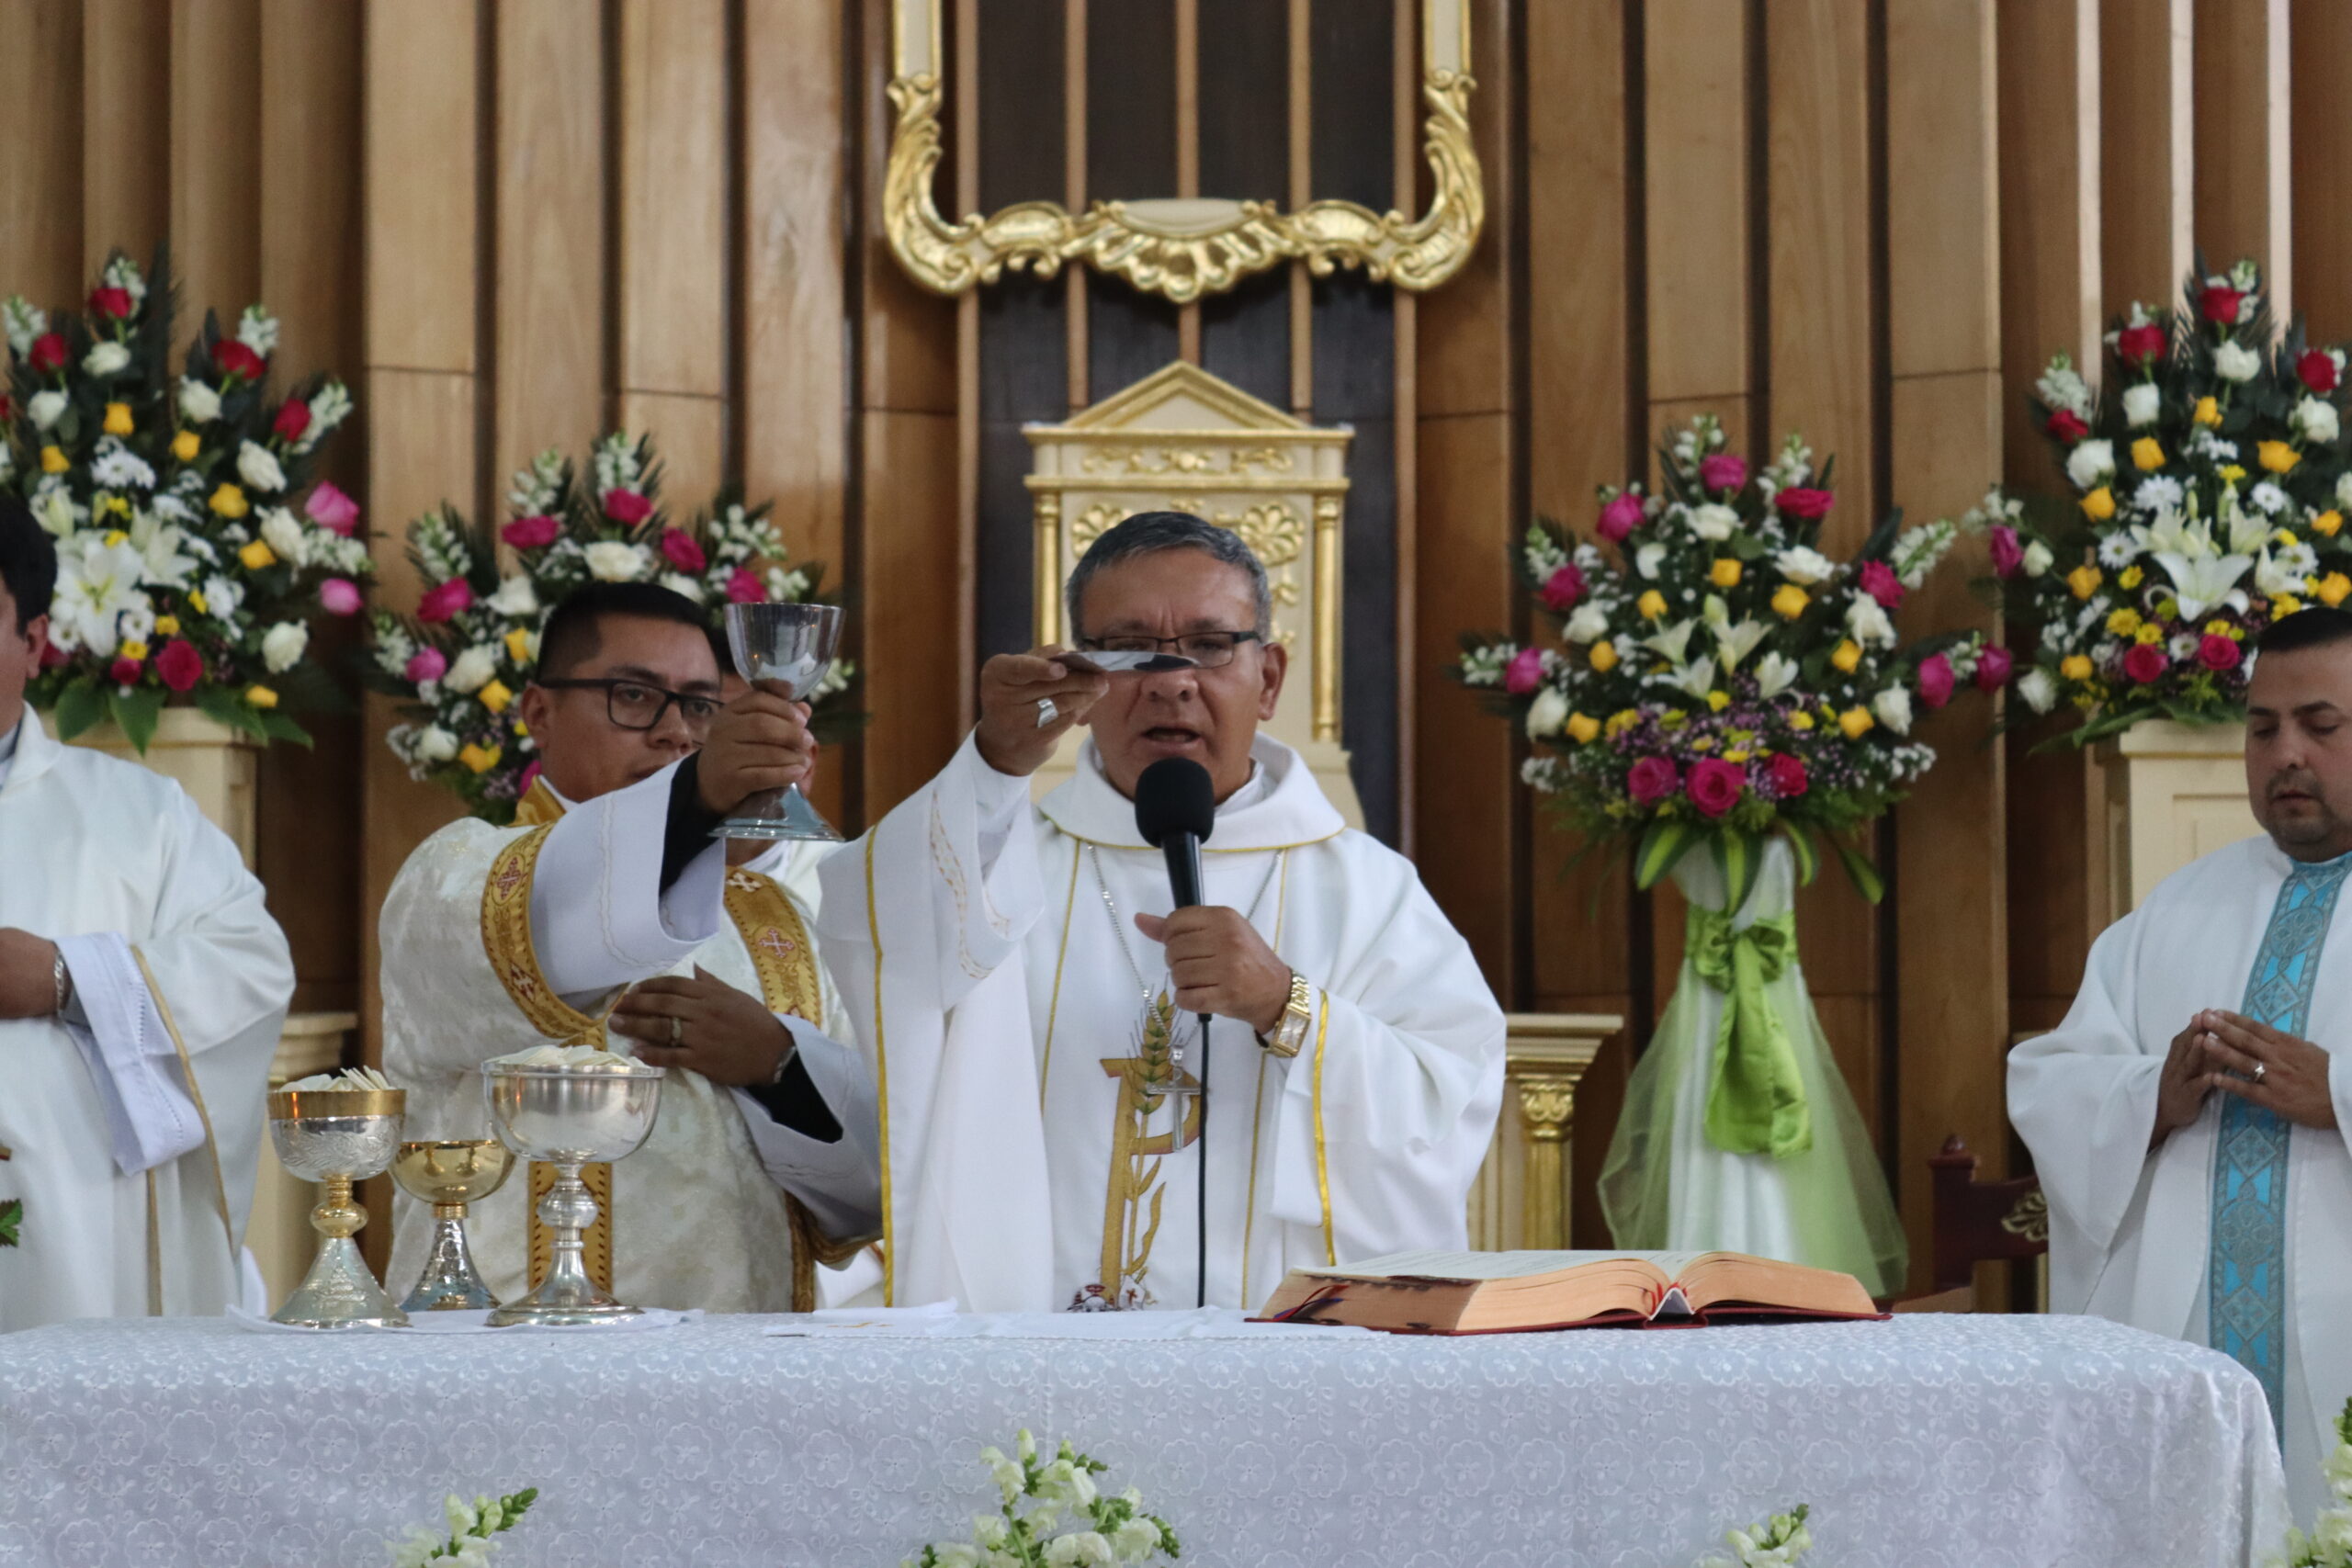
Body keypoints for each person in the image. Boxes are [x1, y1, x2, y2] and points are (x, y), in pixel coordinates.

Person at [817, 510, 1506, 1313]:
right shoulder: (995, 861)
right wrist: (994, 761)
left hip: (1276, 1371)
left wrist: (1290, 1008)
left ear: (1271, 677)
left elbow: (1447, 1102)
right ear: (1079, 678)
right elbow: (880, 926)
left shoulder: (1366, 890)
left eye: (1212, 646)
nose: (1171, 679)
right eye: (1130, 647)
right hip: (1031, 1365)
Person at [380, 581, 879, 1313]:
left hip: (739, 1378)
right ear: (539, 712)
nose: (677, 732)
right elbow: (544, 922)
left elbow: (863, 1197)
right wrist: (695, 799)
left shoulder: (777, 921)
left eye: (702, 706)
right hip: (510, 1364)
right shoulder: (456, 871)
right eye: (635, 696)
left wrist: (778, 1065)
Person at [2011, 605, 2352, 1525]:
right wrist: (2146, 1099)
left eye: (2320, 727)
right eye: (2263, 728)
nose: (2287, 754)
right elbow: (2050, 1079)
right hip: (2185, 1356)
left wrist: (2339, 1095)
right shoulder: (2179, 907)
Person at [0, 496, 295, 1330]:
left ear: (34, 640)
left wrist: (68, 977)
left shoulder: (140, 816)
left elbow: (252, 966)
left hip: (79, 1258)